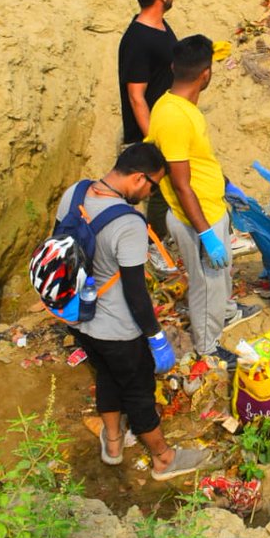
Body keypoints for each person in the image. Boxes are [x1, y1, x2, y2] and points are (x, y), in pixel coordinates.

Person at [54, 143, 210, 481]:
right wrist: (155, 336)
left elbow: (58, 245)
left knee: (107, 376)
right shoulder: (129, 224)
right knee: (138, 390)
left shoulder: (75, 193)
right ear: (139, 179)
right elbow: (136, 292)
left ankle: (112, 443)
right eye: (152, 185)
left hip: (79, 318)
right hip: (119, 327)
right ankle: (163, 458)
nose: (149, 192)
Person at [147, 35, 256, 363]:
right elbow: (181, 184)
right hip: (197, 216)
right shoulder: (175, 117)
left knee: (220, 275)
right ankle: (208, 347)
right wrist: (206, 233)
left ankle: (225, 312)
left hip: (210, 205)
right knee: (205, 284)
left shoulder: (176, 104)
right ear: (205, 75)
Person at [117, 0, 179, 253]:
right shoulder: (138, 39)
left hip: (167, 123)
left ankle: (164, 247)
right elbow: (136, 96)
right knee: (158, 193)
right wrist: (153, 141)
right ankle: (156, 250)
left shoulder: (160, 28)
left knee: (168, 192)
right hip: (151, 131)